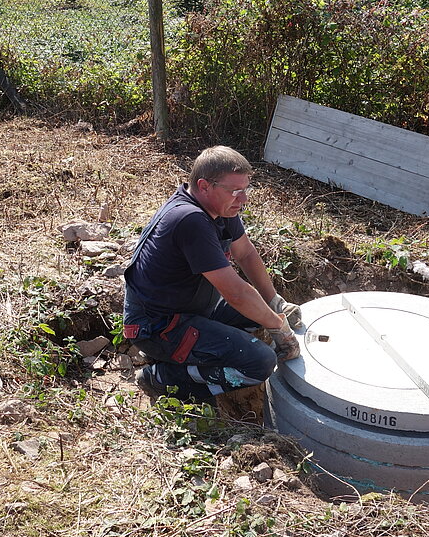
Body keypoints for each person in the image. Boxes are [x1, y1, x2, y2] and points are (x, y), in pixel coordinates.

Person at [123, 146, 303, 403]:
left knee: (259, 311)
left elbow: (246, 254)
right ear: (204, 186)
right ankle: (163, 376)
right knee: (259, 363)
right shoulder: (190, 220)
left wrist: (274, 302)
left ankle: (187, 354)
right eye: (235, 191)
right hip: (156, 326)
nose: (243, 199)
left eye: (245, 190)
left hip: (190, 309)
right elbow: (236, 294)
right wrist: (278, 325)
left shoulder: (220, 208)